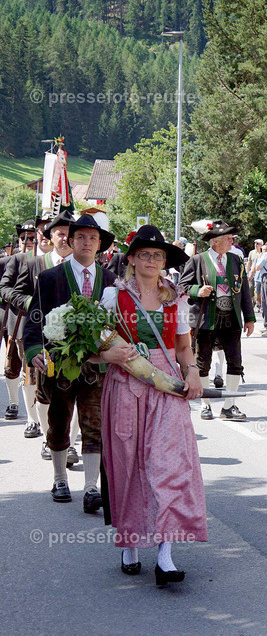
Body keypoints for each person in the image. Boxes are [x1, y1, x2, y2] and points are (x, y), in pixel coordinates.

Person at [100, 225, 206, 584]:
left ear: (165, 261)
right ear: (131, 258)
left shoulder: (175, 297)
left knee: (170, 465)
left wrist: (192, 372)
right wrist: (108, 355)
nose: (151, 260)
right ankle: (130, 542)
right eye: (144, 254)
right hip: (126, 386)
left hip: (166, 389)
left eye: (158, 255)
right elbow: (94, 351)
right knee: (129, 464)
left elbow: (184, 346)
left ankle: (165, 553)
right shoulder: (113, 297)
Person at [24, 215, 118, 512]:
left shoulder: (111, 281)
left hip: (98, 366)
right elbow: (35, 318)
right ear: (71, 241)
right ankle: (59, 478)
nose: (87, 242)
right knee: (59, 421)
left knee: (94, 425)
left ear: (100, 244)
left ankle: (91, 487)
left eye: (92, 238)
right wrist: (34, 349)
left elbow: (119, 324)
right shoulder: (51, 277)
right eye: (81, 237)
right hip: (62, 365)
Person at [178, 220, 256, 421]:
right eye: (228, 238)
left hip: (231, 319)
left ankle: (229, 406)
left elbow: (245, 290)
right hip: (205, 319)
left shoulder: (236, 260)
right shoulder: (197, 260)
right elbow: (183, 286)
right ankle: (206, 404)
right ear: (215, 241)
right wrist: (198, 290)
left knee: (235, 362)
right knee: (202, 362)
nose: (232, 241)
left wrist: (249, 318)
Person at [8, 212, 73, 452]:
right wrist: (32, 304)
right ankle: (44, 432)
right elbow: (12, 291)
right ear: (50, 237)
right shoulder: (34, 263)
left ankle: (70, 443)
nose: (65, 239)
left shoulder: (83, 265)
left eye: (69, 234)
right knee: (40, 387)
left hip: (75, 340)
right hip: (39, 336)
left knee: (73, 393)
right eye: (60, 234)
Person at [1, 219, 36, 421]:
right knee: (12, 367)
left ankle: (35, 416)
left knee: (32, 372)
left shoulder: (46, 261)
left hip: (41, 323)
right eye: (24, 237)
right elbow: (4, 288)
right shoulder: (12, 261)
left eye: (32, 237)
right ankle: (14, 403)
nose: (28, 241)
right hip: (17, 321)